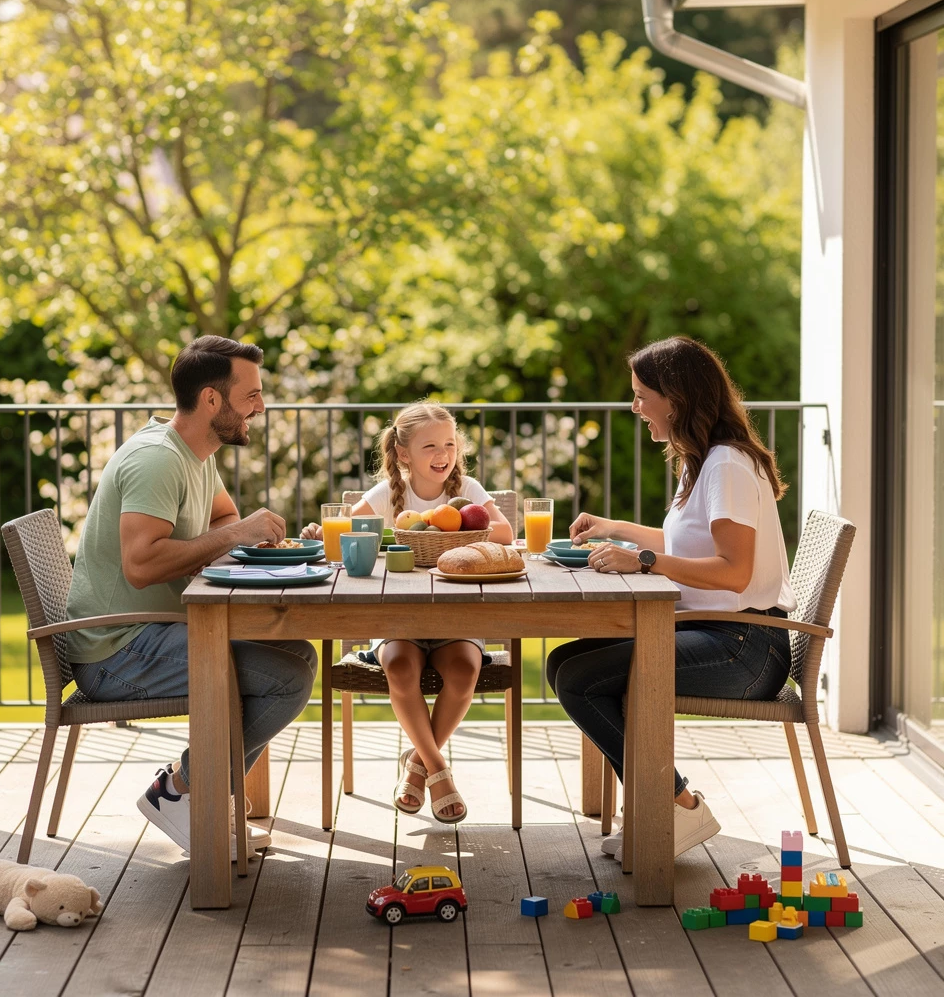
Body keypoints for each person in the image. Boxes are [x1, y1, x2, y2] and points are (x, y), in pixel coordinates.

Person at [65, 336, 318, 859]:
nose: (261, 407)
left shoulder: (195, 454)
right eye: (250, 395)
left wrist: (239, 536)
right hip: (117, 651)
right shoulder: (158, 461)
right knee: (286, 679)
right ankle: (183, 793)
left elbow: (226, 518)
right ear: (211, 400)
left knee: (298, 652)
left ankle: (187, 788)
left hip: (150, 633)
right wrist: (232, 538)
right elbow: (141, 566)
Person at [547, 337, 797, 860]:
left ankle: (676, 807)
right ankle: (665, 803)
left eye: (642, 396)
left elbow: (733, 571)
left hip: (747, 647)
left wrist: (643, 562)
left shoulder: (725, 464)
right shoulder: (702, 460)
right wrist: (619, 530)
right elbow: (689, 546)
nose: (635, 407)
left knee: (579, 677)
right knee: (566, 661)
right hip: (719, 630)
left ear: (676, 399)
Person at [304, 401, 513, 823]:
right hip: (398, 620)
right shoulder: (387, 495)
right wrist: (316, 530)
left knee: (464, 671)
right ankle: (438, 770)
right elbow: (345, 529)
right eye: (430, 446)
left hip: (457, 620)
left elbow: (508, 533)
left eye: (450, 444)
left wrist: (469, 524)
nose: (443, 454)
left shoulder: (467, 491)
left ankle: (417, 767)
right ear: (403, 454)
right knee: (399, 666)